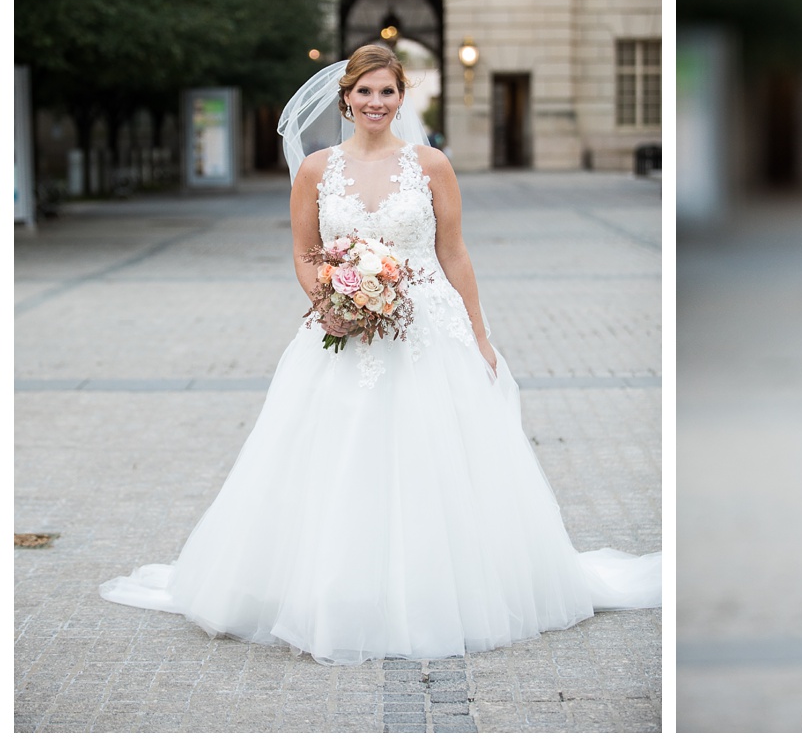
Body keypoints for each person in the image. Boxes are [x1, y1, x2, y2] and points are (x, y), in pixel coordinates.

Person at [100, 44, 660, 665]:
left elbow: (454, 254)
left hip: (428, 325)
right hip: (342, 331)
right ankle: (335, 587)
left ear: (401, 98)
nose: (375, 102)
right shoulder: (316, 169)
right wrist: (331, 303)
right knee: (337, 452)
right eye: (364, 92)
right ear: (345, 98)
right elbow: (305, 252)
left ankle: (440, 590)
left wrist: (479, 335)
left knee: (435, 455)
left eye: (387, 92)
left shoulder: (431, 165)